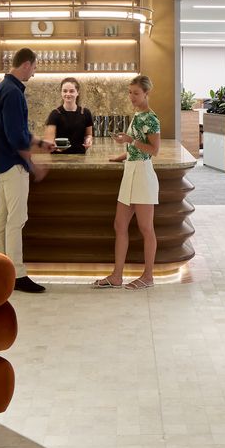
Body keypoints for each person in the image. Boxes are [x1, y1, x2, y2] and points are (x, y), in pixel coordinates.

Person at [0, 47, 53, 294]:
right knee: (16, 220)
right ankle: (17, 274)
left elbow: (19, 132)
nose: (34, 73)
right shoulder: (13, 92)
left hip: (3, 164)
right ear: (26, 64)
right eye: (34, 68)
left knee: (2, 218)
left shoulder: (4, 88)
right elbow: (16, 137)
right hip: (13, 164)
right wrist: (33, 164)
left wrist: (40, 143)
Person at [92, 75, 161, 290]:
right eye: (130, 92)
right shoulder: (137, 115)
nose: (132, 97)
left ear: (146, 93)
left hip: (143, 176)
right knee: (119, 225)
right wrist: (121, 156)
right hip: (130, 173)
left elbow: (154, 150)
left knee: (146, 228)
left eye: (136, 93)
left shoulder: (151, 119)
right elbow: (135, 149)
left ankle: (148, 277)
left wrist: (130, 140)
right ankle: (117, 276)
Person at [44, 77, 94, 154]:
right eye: (65, 91)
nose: (68, 94)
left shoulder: (85, 113)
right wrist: (54, 146)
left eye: (71, 91)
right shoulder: (55, 114)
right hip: (58, 157)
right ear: (61, 93)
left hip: (80, 156)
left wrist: (88, 140)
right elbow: (49, 140)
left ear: (77, 92)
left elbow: (88, 134)